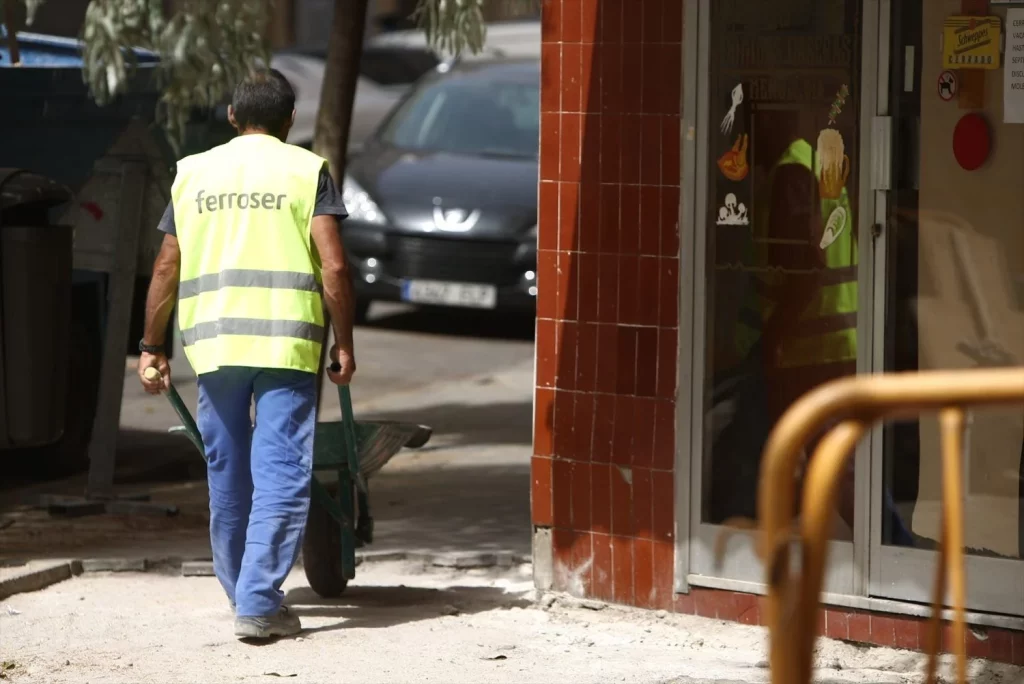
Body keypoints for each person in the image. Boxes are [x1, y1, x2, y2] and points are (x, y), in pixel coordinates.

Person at [136, 68, 357, 639]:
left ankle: (246, 595)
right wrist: (345, 344)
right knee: (281, 467)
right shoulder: (306, 171)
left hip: (215, 346)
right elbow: (333, 266)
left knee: (228, 470)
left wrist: (151, 347)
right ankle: (258, 601)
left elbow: (166, 265)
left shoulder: (193, 173)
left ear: (232, 118)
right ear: (289, 122)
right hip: (286, 343)